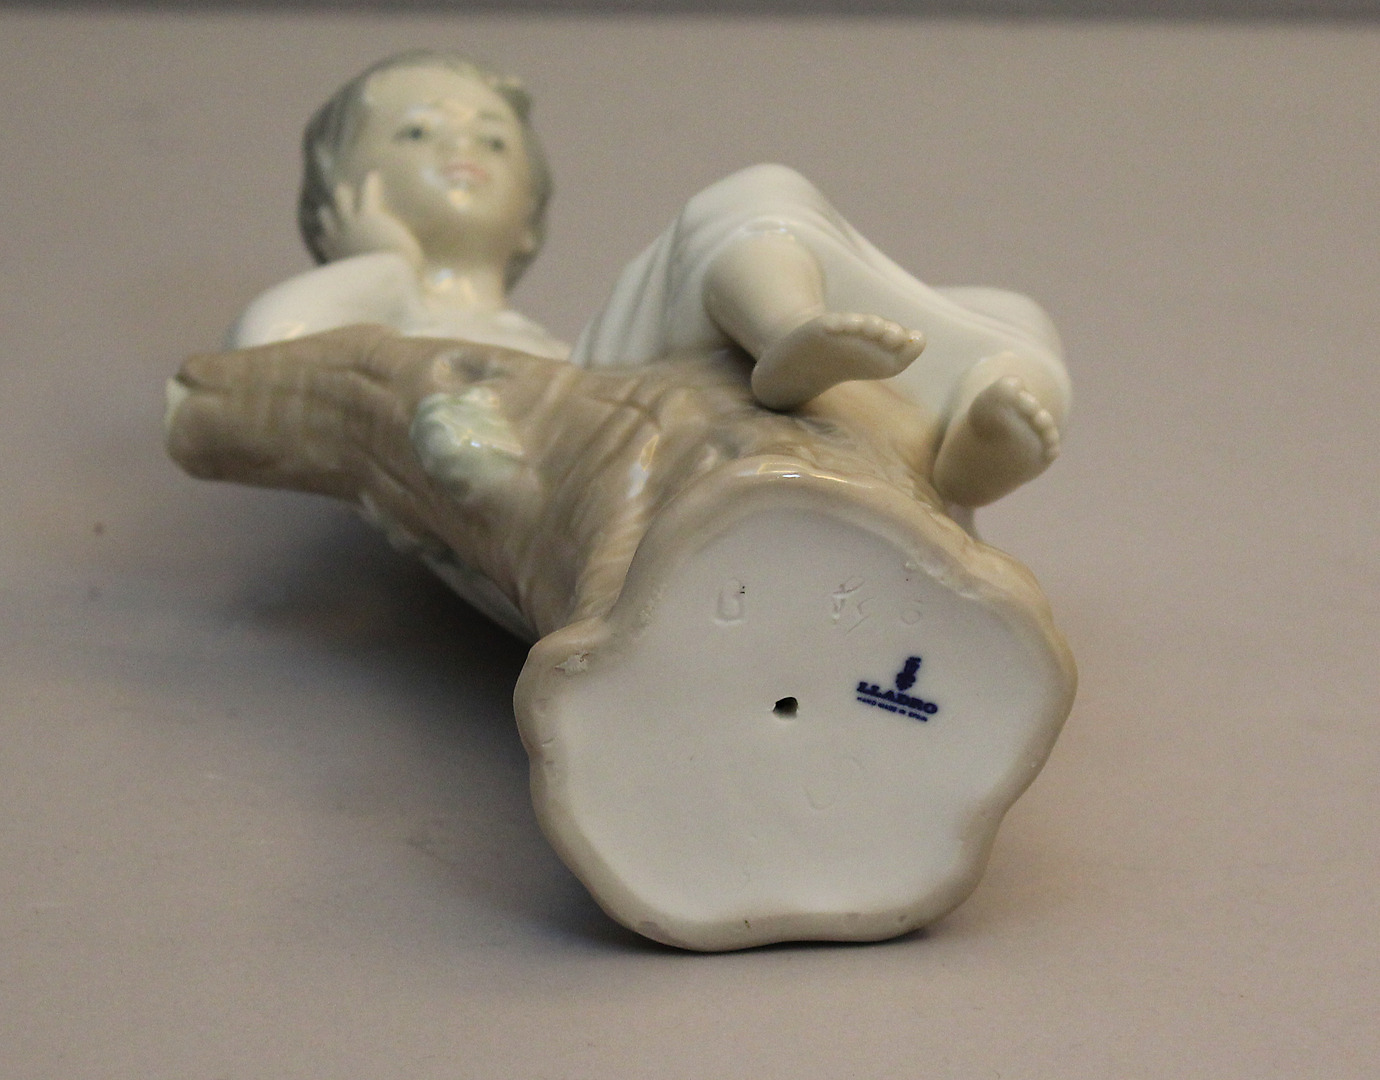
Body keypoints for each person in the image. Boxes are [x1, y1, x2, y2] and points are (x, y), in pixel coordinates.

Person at [232, 51, 1068, 508]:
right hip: (580, 441)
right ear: (338, 195)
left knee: (1003, 312)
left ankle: (968, 451)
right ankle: (784, 330)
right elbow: (266, 353)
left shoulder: (542, 337)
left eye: (494, 139)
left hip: (615, 401)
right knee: (748, 202)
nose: (463, 147)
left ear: (530, 218)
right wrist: (375, 262)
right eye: (416, 133)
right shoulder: (387, 312)